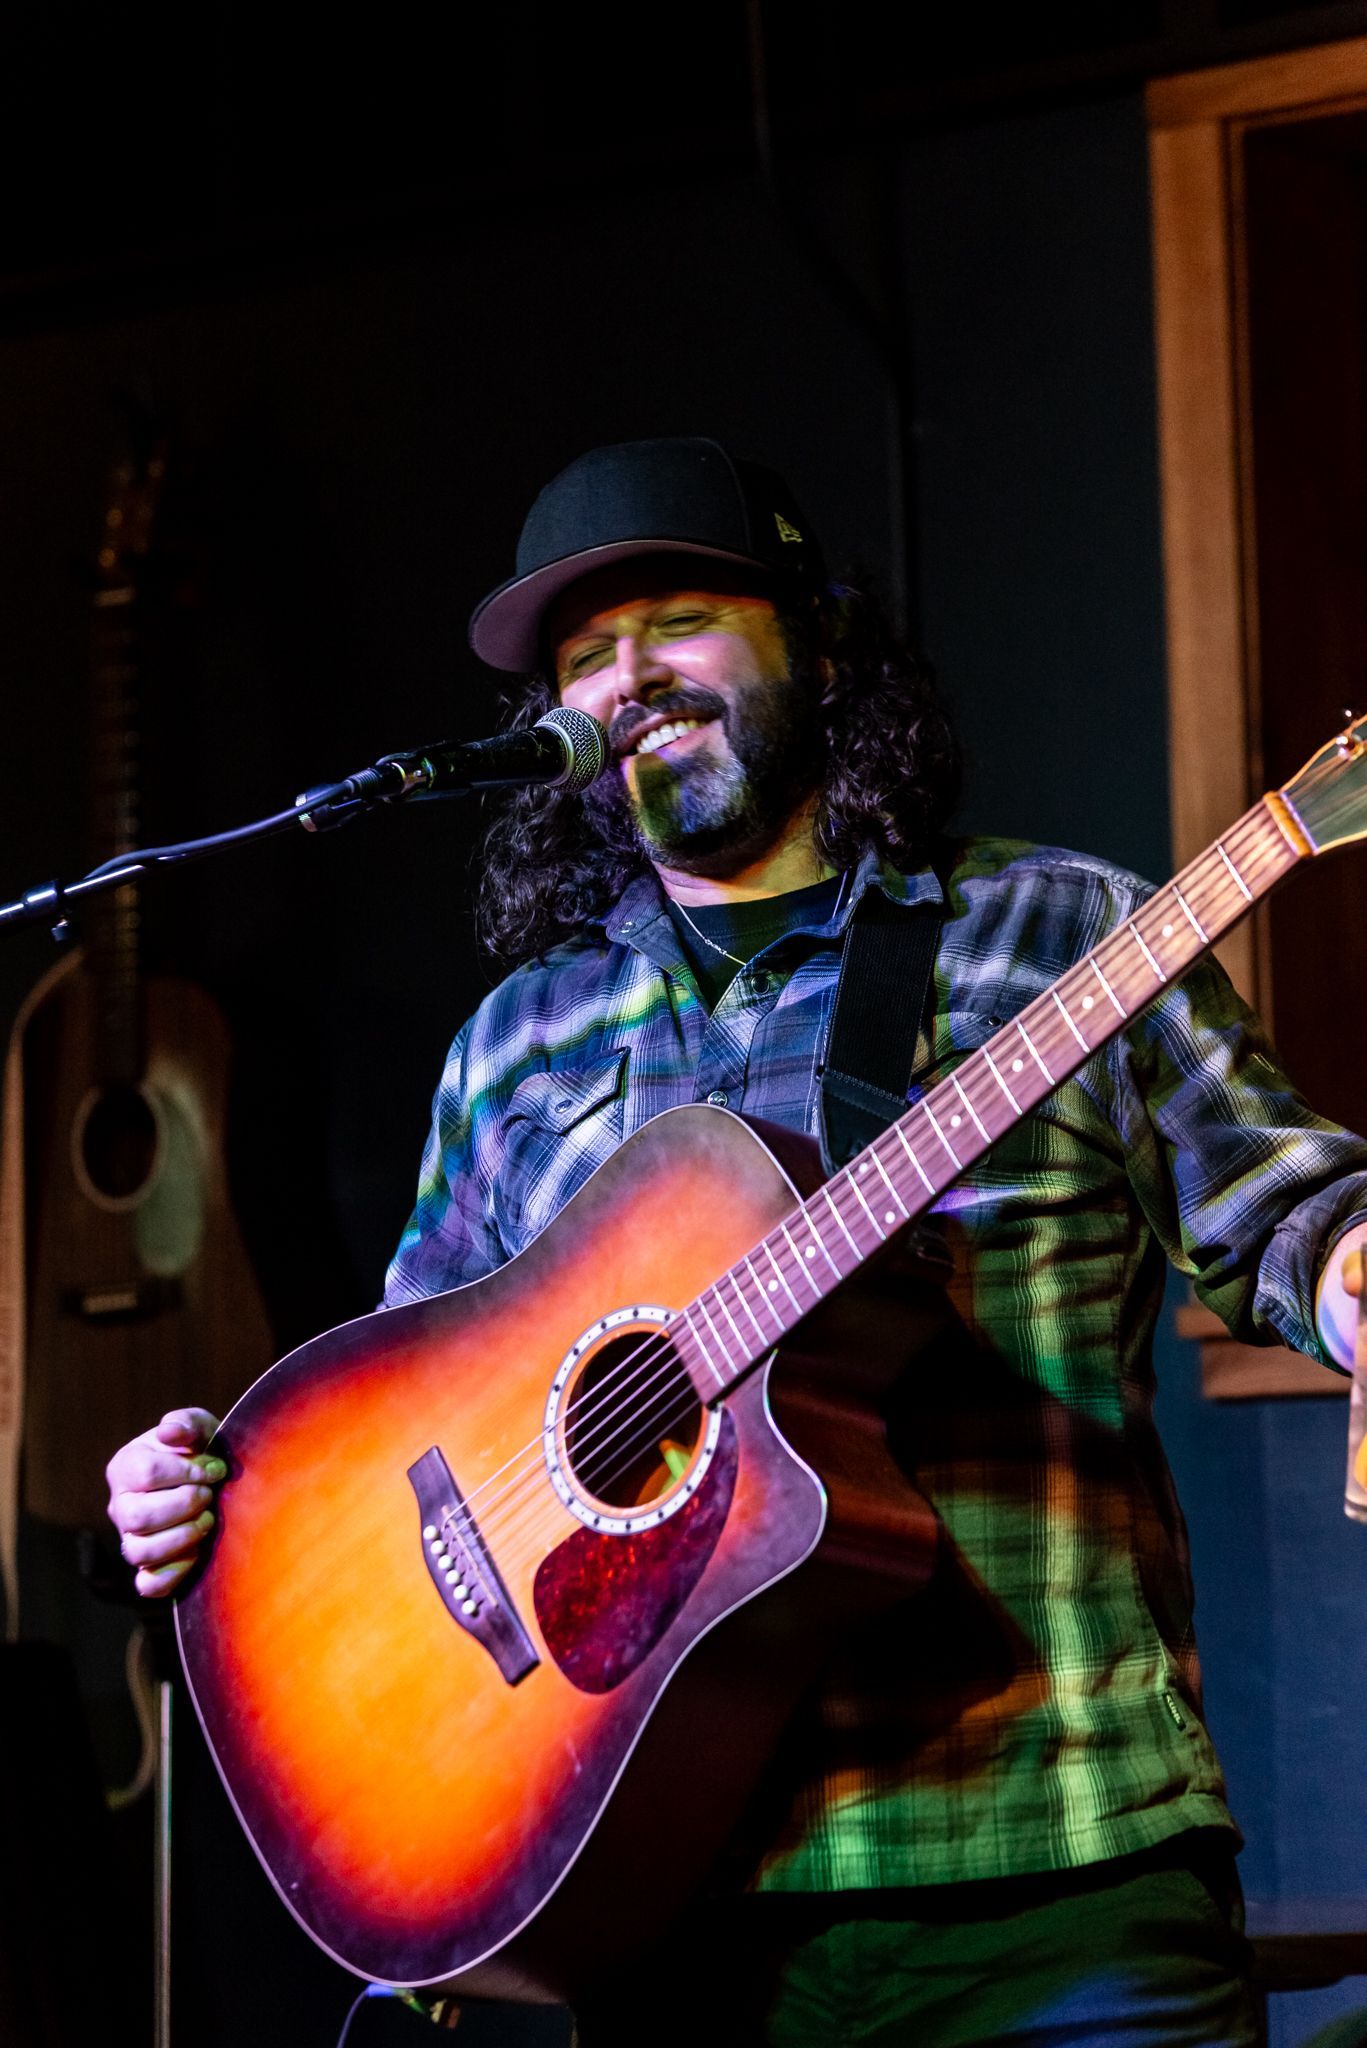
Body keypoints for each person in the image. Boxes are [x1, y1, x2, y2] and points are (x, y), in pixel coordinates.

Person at [107, 436, 1367, 2045]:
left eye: (681, 620)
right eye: (583, 660)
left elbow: (1294, 1211)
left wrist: (1354, 1277)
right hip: (659, 1906)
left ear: (818, 649)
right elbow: (403, 1453)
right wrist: (217, 1489)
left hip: (1050, 1881)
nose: (630, 679)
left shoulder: (1054, 936)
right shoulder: (519, 1044)